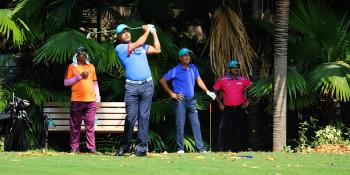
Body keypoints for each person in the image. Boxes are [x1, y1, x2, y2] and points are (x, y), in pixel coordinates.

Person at [115, 24, 161, 157]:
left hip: (147, 85)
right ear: (118, 37)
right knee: (130, 118)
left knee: (144, 117)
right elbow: (140, 41)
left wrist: (153, 32)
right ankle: (124, 147)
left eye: (127, 31)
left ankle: (141, 148)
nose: (126, 33)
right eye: (123, 33)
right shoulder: (120, 48)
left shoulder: (141, 47)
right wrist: (146, 30)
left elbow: (157, 49)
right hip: (131, 87)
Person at [159, 48, 216, 153]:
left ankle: (200, 149)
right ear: (180, 58)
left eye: (189, 55)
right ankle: (180, 149)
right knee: (180, 124)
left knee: (196, 124)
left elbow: (199, 80)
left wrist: (207, 91)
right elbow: (162, 80)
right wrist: (172, 94)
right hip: (180, 101)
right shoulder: (176, 69)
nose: (187, 57)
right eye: (185, 55)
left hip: (192, 101)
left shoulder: (193, 68)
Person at [64, 46, 101, 154]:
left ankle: (91, 148)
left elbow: (95, 83)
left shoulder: (91, 66)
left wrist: (97, 98)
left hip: (91, 101)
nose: (84, 55)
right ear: (76, 55)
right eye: (81, 53)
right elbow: (66, 83)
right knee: (75, 126)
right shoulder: (71, 67)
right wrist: (79, 77)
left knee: (90, 126)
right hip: (76, 101)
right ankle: (74, 148)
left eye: (85, 53)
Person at [213, 60, 252, 152]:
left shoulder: (243, 80)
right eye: (234, 67)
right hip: (227, 108)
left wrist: (248, 100)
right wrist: (220, 103)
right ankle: (223, 149)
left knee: (239, 129)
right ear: (229, 69)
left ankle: (238, 149)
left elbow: (253, 88)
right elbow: (214, 91)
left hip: (240, 108)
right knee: (223, 128)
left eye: (237, 67)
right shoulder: (223, 80)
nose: (236, 69)